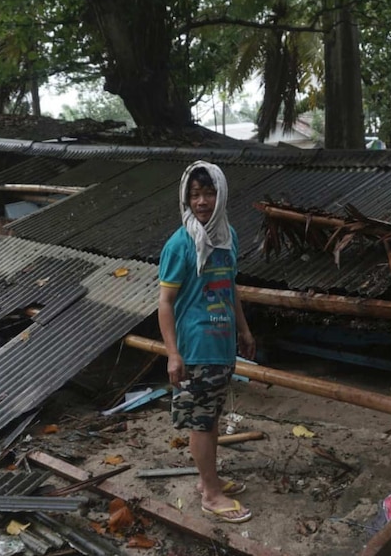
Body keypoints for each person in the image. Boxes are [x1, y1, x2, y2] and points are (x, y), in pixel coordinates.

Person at [157, 160, 255, 524]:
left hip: (222, 345)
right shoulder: (179, 244)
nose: (201, 202)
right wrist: (172, 354)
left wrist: (243, 331)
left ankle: (206, 481)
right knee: (201, 421)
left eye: (208, 193)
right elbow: (165, 303)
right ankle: (211, 495)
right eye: (194, 195)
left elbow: (231, 289)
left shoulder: (228, 238)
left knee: (211, 416)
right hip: (196, 347)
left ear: (221, 194)